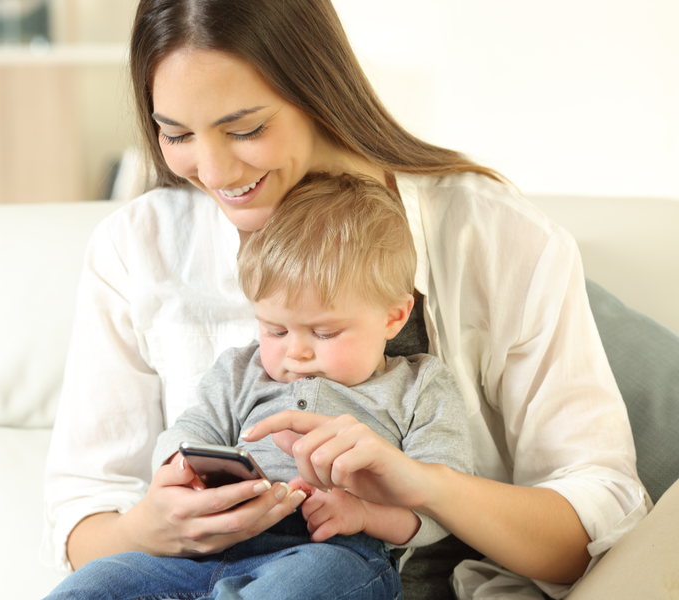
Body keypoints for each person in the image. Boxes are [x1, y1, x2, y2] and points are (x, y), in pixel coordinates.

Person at [42, 1, 651, 598]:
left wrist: (424, 487)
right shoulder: (136, 248)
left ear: (316, 91)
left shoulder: (492, 236)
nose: (214, 170)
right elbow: (83, 513)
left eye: (246, 129)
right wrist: (151, 527)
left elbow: (597, 516)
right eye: (175, 134)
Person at [44, 172, 474, 599]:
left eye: (324, 333)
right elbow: (190, 432)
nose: (297, 352)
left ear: (393, 317)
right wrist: (185, 469)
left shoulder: (420, 387)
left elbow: (437, 509)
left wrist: (361, 514)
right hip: (204, 552)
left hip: (329, 553)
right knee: (99, 582)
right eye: (275, 330)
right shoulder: (239, 371)